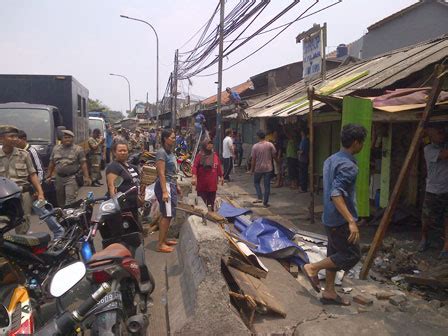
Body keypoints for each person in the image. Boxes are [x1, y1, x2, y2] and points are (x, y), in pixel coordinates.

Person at [302, 124, 367, 306]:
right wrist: (351, 221)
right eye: (362, 142)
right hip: (339, 220)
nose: (362, 146)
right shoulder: (349, 166)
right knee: (352, 255)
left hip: (329, 218)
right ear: (356, 143)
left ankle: (329, 292)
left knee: (334, 254)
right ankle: (312, 268)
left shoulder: (331, 159)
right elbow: (335, 193)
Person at [0, 125, 45, 234]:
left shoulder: (24, 154)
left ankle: (20, 247)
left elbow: (33, 175)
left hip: (22, 194)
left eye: (16, 136)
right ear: (1, 138)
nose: (15, 139)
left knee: (23, 222)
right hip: (2, 197)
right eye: (11, 136)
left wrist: (40, 192)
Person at [418, 124, 448, 258]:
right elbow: (444, 155)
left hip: (446, 189)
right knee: (427, 218)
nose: (442, 135)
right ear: (432, 136)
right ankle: (424, 239)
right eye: (439, 133)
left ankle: (445, 247)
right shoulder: (428, 149)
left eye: (443, 133)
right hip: (433, 190)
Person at [46, 130, 91, 206]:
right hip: (59, 178)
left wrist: (86, 177)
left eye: (69, 137)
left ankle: (70, 216)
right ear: (62, 139)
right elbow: (51, 163)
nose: (67, 139)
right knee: (60, 201)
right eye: (65, 137)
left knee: (70, 201)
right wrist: (48, 175)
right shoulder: (56, 149)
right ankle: (63, 217)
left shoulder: (78, 149)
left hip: (71, 178)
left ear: (73, 139)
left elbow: (83, 164)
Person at [155, 129, 181, 253]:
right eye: (172, 137)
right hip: (164, 186)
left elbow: (172, 172)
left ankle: (164, 240)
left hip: (171, 185)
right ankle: (160, 244)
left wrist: (176, 186)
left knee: (167, 215)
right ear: (165, 138)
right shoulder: (161, 153)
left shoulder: (170, 152)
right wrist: (165, 191)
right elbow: (161, 173)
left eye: (174, 137)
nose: (174, 139)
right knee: (167, 215)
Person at [106, 140, 143, 221]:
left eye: (125, 150)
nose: (123, 153)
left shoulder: (133, 167)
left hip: (133, 205)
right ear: (114, 153)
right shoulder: (113, 167)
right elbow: (112, 188)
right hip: (123, 207)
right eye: (120, 151)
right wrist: (117, 208)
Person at [192, 140, 224, 210]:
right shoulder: (199, 155)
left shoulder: (215, 156)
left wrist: (221, 176)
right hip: (202, 185)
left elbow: (218, 167)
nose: (210, 145)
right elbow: (194, 166)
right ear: (204, 145)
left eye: (211, 144)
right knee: (201, 206)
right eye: (208, 144)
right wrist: (194, 176)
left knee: (211, 205)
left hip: (212, 186)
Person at [250, 130, 277, 208]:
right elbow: (274, 155)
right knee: (267, 186)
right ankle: (265, 202)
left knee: (256, 183)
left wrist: (252, 170)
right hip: (268, 168)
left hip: (258, 168)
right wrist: (278, 162)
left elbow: (253, 160)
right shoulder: (270, 145)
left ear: (258, 137)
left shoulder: (255, 146)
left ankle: (259, 197)